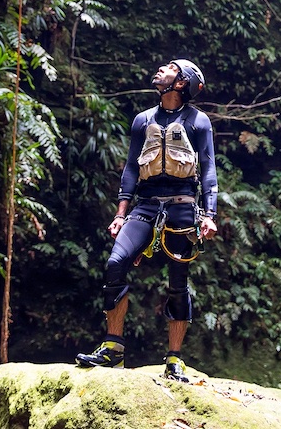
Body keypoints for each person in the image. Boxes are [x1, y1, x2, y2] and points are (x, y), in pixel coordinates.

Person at [76, 59, 218, 382]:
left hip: (183, 206)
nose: (160, 69)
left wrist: (209, 215)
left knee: (178, 283)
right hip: (146, 205)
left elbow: (208, 171)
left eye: (169, 67)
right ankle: (113, 349)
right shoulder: (143, 121)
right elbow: (130, 169)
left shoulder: (199, 123)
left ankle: (175, 359)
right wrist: (120, 213)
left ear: (181, 82)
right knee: (115, 262)